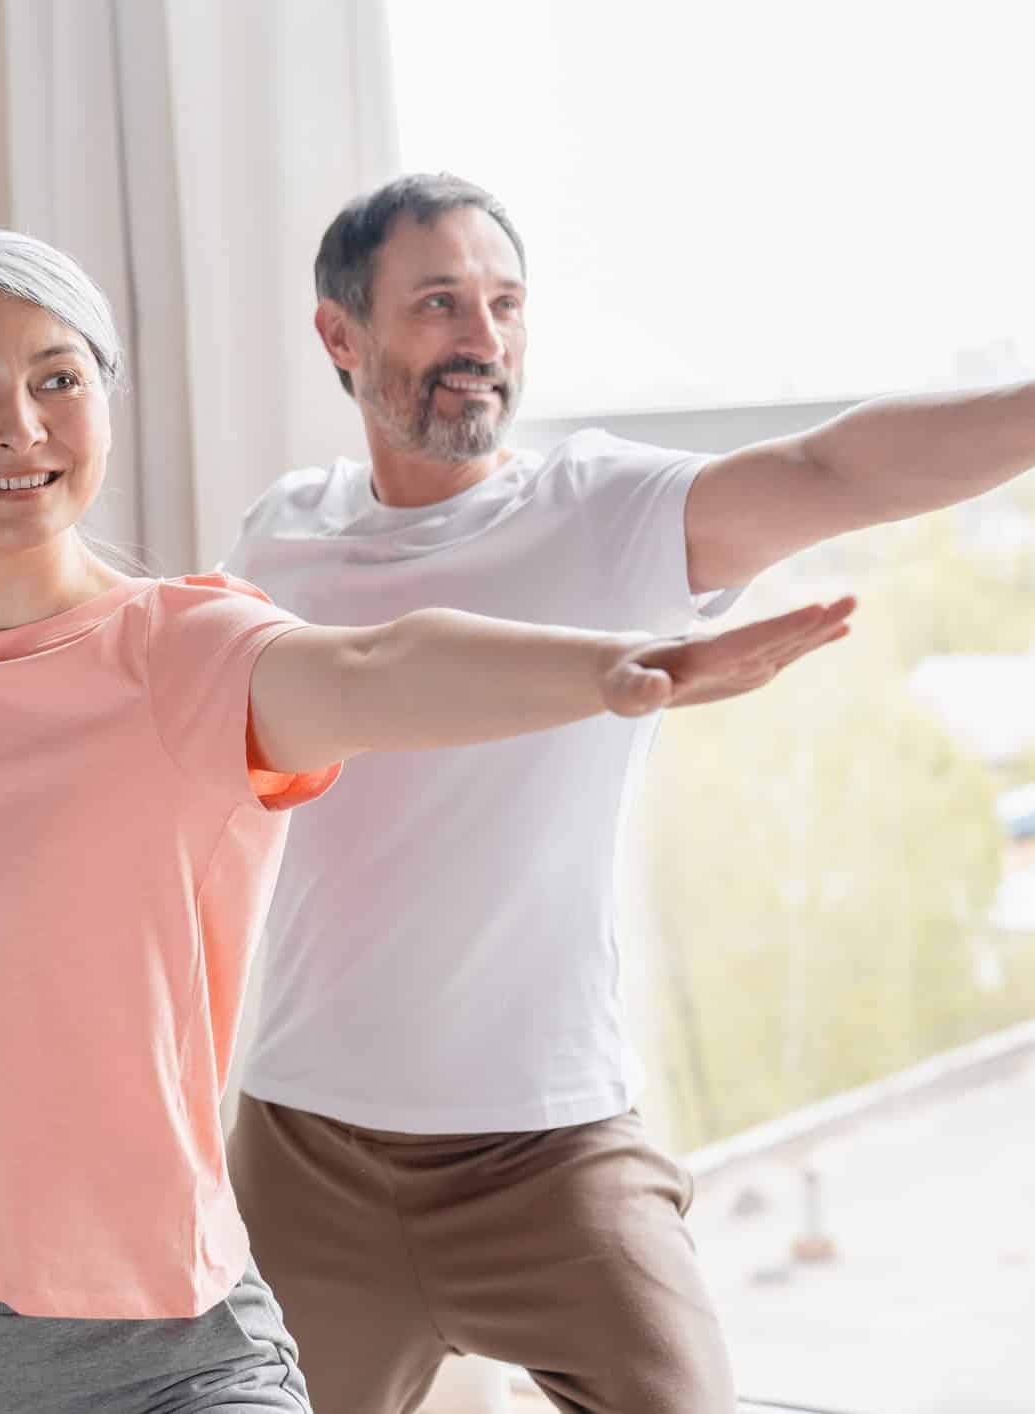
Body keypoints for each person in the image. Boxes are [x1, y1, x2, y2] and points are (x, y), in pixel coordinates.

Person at [0, 227, 848, 1413]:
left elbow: (384, 663)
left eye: (57, 379)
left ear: (106, 410)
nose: (18, 424)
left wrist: (614, 667)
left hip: (136, 1347)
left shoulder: (180, 654)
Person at [220, 172, 1035, 1414]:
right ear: (341, 333)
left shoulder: (601, 513)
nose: (483, 339)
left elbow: (830, 468)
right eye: (439, 303)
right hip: (303, 1149)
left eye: (504, 303)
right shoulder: (277, 539)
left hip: (552, 1153)